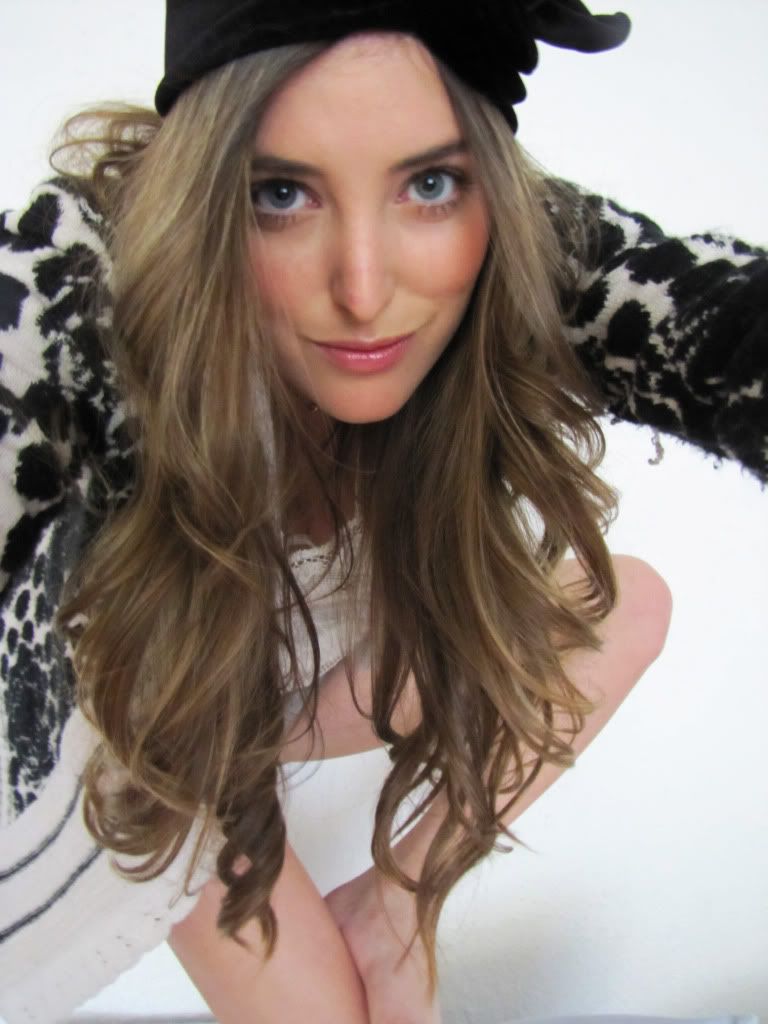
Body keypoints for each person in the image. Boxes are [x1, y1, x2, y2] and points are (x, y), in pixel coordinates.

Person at [0, 3, 763, 1022]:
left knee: (631, 601)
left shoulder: (525, 248)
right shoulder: (92, 280)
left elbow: (725, 325)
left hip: (290, 681)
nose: (363, 292)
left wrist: (409, 889)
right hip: (144, 711)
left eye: (430, 185)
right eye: (280, 194)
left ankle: (397, 903)